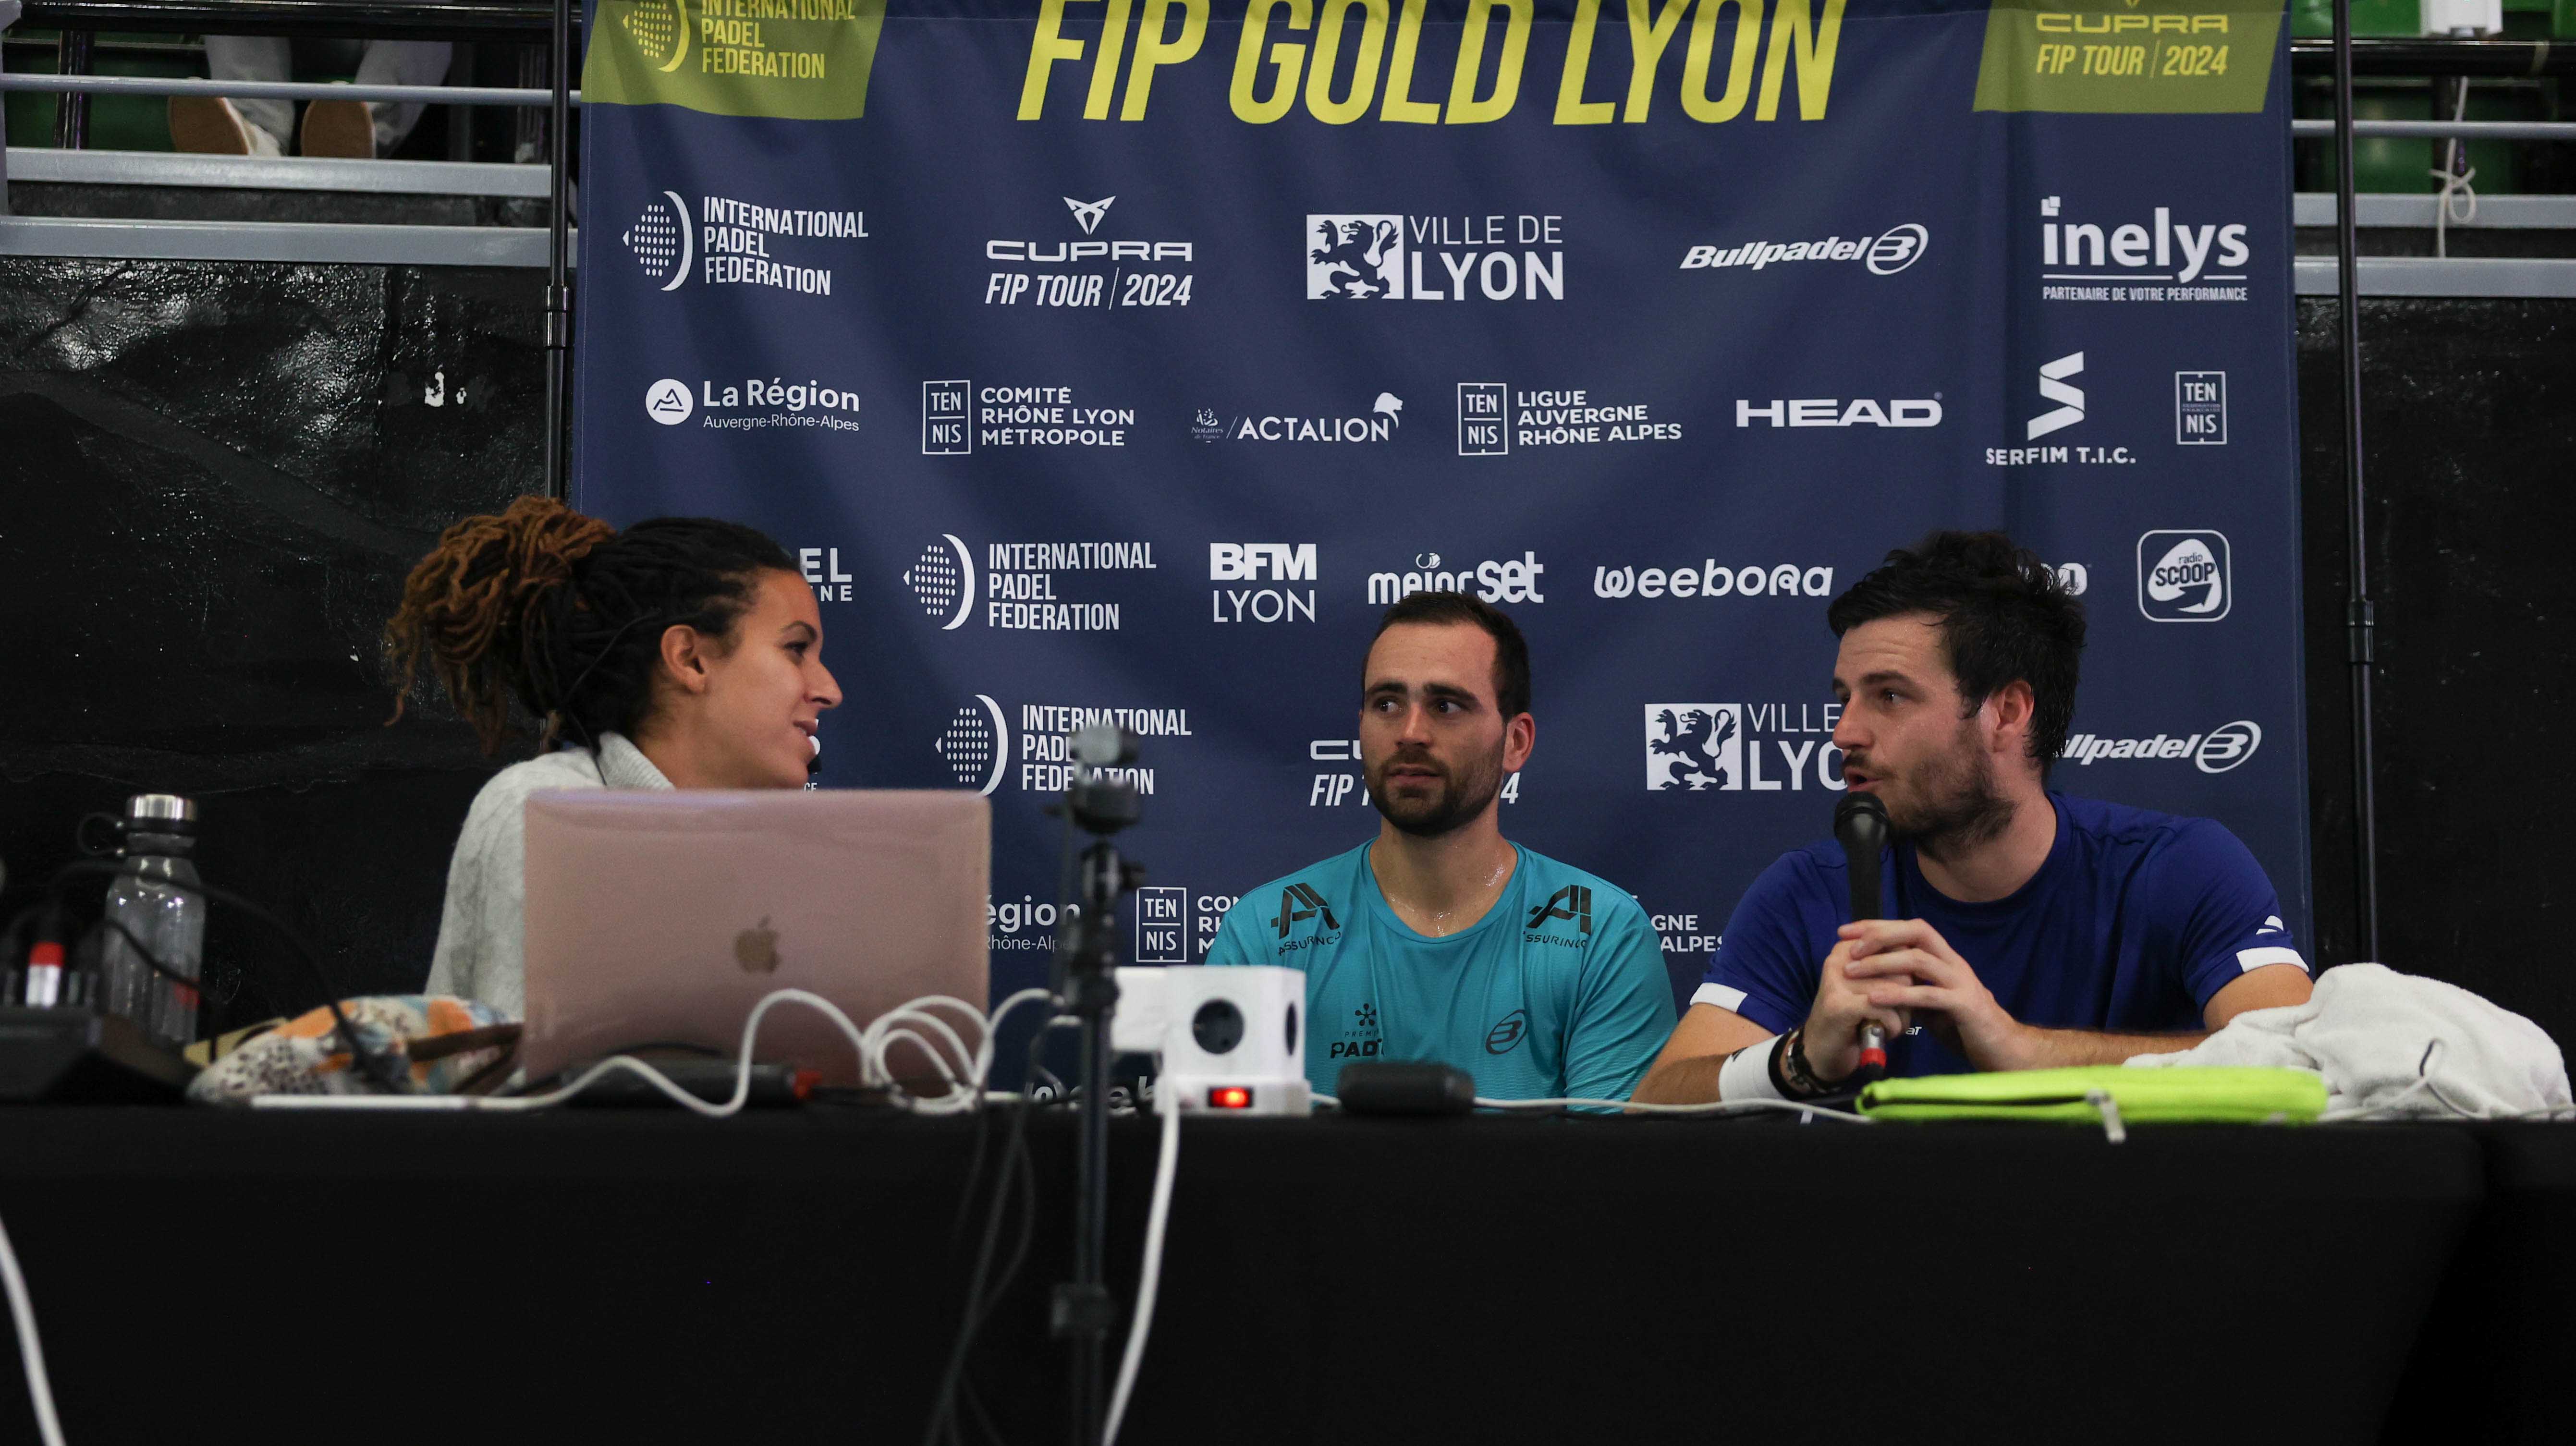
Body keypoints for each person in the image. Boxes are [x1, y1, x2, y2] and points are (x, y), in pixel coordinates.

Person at [1634, 531, 2312, 1106]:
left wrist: (2022, 1049)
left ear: (2006, 712)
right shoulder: (1806, 891)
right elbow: (1654, 1101)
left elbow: (2304, 1060)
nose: (1844, 732)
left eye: (1889, 696)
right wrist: (1796, 1059)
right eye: (1843, 698)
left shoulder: (2180, 867)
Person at [1207, 592, 1676, 1103]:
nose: (1410, 733)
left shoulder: (1601, 933)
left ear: (1516, 741)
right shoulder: (1265, 933)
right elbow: (1226, 1149)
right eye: (1386, 704)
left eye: (1445, 705)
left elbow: (1607, 1154)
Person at [384, 496, 841, 1016]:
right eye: (796, 649)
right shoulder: (545, 809)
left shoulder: (760, 848)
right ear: (690, 658)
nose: (829, 690)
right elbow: (535, 1061)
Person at [170, 38, 451, 158]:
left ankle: (354, 138)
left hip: (371, 29)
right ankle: (256, 141)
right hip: (286, 28)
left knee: (433, 8)